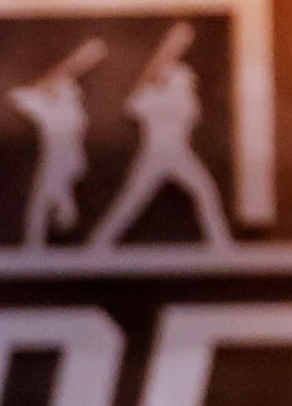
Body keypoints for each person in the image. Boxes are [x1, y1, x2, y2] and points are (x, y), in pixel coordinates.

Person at [88, 21, 233, 249]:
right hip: (153, 155)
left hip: (179, 153)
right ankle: (99, 243)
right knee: (131, 201)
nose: (183, 81)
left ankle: (221, 244)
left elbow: (190, 113)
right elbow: (134, 101)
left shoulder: (184, 98)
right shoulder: (148, 97)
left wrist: (173, 49)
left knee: (205, 193)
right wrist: (167, 51)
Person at [8, 39, 106, 248]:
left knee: (41, 201)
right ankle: (57, 226)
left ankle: (35, 243)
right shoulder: (56, 110)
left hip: (62, 163)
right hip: (66, 163)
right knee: (54, 201)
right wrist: (74, 64)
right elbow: (18, 97)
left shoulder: (64, 112)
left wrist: (53, 80)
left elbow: (22, 96)